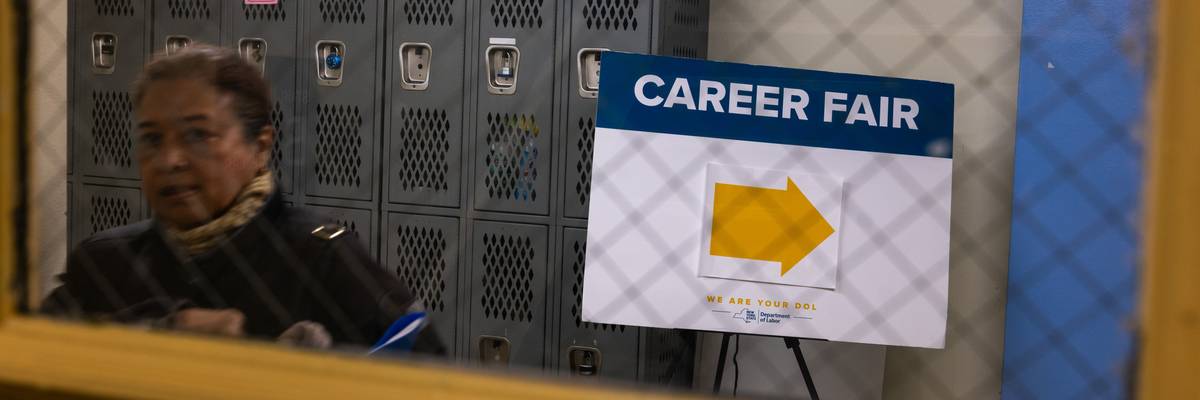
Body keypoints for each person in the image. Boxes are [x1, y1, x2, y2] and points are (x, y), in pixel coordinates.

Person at [41, 45, 444, 355]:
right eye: (151, 139)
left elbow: (427, 368)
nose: (169, 160)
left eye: (198, 135)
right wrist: (164, 330)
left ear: (260, 147)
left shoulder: (323, 258)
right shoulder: (103, 263)